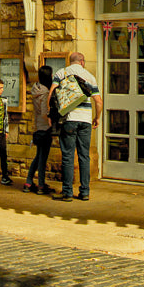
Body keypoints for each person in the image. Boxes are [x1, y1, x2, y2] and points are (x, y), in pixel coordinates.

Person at [50, 52, 102, 203]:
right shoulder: (89, 76)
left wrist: (52, 115)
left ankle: (67, 192)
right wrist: (97, 118)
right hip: (85, 120)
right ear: (82, 62)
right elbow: (98, 101)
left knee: (67, 156)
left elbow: (51, 95)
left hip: (68, 119)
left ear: (70, 61)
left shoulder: (61, 73)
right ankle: (84, 192)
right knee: (84, 156)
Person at [24, 65, 55, 194]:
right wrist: (51, 115)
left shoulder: (36, 89)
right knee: (42, 158)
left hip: (37, 127)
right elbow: (44, 112)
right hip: (45, 127)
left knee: (38, 157)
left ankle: (28, 182)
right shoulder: (46, 92)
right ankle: (41, 186)